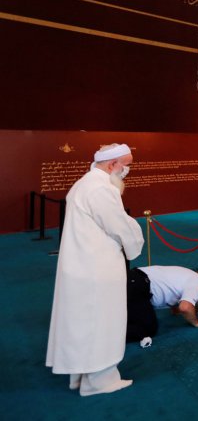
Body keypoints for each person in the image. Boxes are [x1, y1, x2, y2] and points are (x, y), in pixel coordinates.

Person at [46, 143, 144, 396]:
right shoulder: (101, 189)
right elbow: (118, 225)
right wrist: (136, 239)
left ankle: (82, 375)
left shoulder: (85, 183)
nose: (127, 170)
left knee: (84, 322)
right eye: (127, 164)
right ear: (113, 165)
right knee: (102, 321)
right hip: (97, 269)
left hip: (83, 265)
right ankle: (100, 380)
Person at [126, 266, 198, 342]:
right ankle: (112, 338)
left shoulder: (193, 278)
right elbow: (185, 308)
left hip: (133, 280)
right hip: (137, 285)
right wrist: (197, 322)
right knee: (148, 328)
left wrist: (176, 309)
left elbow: (172, 291)